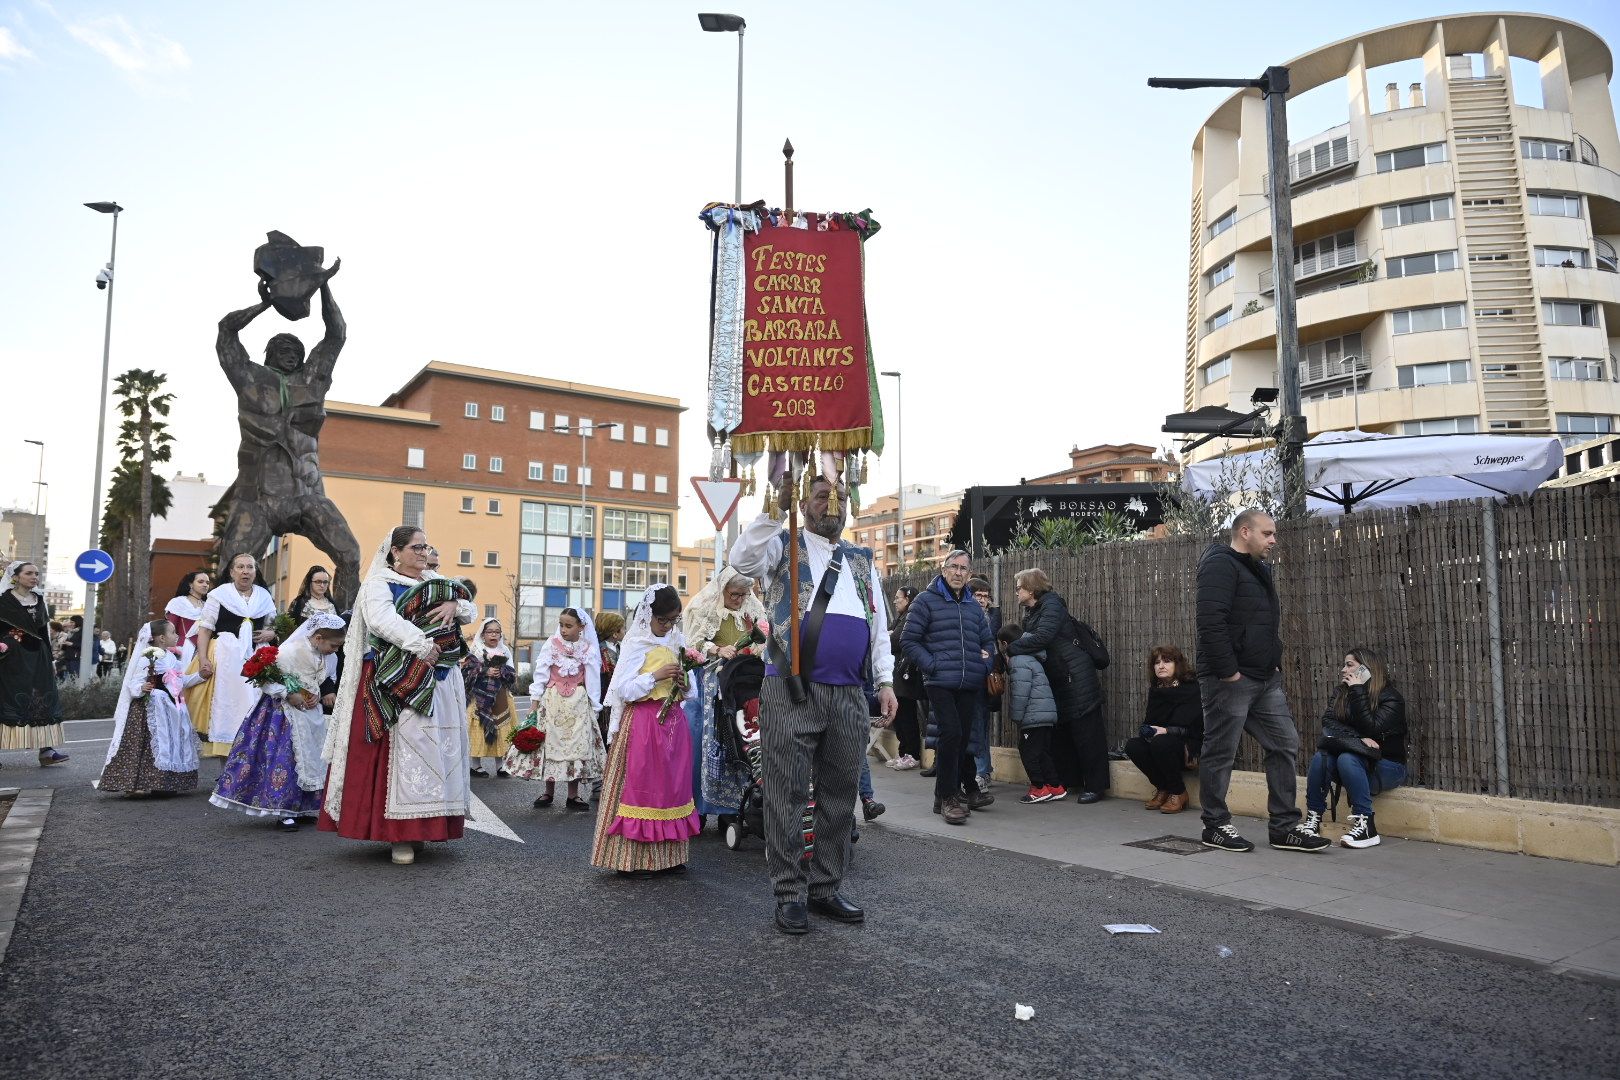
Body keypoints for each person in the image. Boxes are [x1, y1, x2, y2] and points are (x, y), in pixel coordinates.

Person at [731, 475, 897, 935]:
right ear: (802, 503)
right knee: (786, 793)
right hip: (789, 689)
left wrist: (884, 680)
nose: (832, 504)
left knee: (841, 794)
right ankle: (789, 893)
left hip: (849, 693)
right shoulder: (781, 544)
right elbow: (740, 560)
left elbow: (877, 626)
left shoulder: (863, 561)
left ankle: (825, 887)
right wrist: (770, 509)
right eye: (821, 496)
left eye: (838, 497)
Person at [319, 526, 475, 866]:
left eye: (426, 546)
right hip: (395, 677)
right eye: (416, 547)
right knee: (404, 752)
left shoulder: (436, 579)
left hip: (439, 676)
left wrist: (453, 602)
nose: (423, 552)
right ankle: (397, 835)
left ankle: (422, 828)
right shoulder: (378, 584)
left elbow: (469, 608)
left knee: (435, 754)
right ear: (396, 551)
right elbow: (380, 621)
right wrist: (421, 644)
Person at [1195, 509, 1329, 853]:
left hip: (1264, 679)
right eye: (1267, 533)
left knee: (1285, 743)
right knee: (1221, 751)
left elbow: (1260, 624)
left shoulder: (1257, 569)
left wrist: (1272, 662)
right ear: (1244, 532)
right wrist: (1228, 671)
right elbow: (1211, 621)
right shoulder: (1220, 565)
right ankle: (1215, 825)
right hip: (1230, 678)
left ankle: (1284, 827)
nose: (1273, 540)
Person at [590, 585, 700, 875]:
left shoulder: (677, 641)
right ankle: (630, 859)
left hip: (673, 723)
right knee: (643, 788)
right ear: (649, 615)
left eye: (672, 620)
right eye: (662, 620)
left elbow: (693, 693)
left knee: (671, 790)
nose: (667, 626)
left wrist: (684, 684)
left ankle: (669, 858)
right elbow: (623, 690)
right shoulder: (636, 643)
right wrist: (655, 676)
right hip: (643, 723)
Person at [212, 612, 345, 829]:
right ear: (318, 638)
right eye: (333, 645)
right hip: (283, 714)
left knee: (310, 758)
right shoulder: (290, 651)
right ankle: (283, 809)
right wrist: (287, 693)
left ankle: (301, 807)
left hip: (311, 714)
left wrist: (322, 693)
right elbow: (266, 678)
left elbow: (325, 678)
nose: (335, 650)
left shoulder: (330, 657)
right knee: (286, 759)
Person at [902, 550, 995, 827]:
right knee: (951, 734)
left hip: (968, 682)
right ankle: (949, 797)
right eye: (953, 567)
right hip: (940, 681)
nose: (958, 572)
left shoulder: (972, 606)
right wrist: (932, 665)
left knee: (962, 738)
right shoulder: (925, 601)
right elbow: (909, 640)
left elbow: (987, 642)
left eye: (963, 569)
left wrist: (985, 664)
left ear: (969, 574)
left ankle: (940, 797)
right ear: (943, 570)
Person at [1005, 567, 1109, 803]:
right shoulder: (1033, 612)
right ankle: (1070, 780)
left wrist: (1011, 649)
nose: (1016, 592)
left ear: (1031, 589)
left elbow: (1043, 638)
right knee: (1065, 733)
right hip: (1060, 678)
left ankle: (1095, 785)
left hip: (1076, 678)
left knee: (1087, 733)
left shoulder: (1052, 605)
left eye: (1019, 587)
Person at [683, 566, 767, 819]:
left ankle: (731, 809)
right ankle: (697, 808)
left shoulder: (753, 611)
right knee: (704, 742)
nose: (739, 599)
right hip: (710, 684)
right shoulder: (704, 609)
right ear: (722, 590)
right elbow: (693, 642)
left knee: (739, 739)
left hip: (739, 684)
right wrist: (717, 650)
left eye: (743, 594)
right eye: (734, 594)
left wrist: (753, 652)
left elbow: (762, 640)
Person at [1304, 647, 1408, 849]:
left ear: (1366, 670)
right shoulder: (1341, 693)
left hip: (1387, 766)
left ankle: (1367, 826)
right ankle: (1313, 818)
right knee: (1322, 756)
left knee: (1346, 758)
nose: (1343, 670)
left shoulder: (1391, 698)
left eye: (1349, 665)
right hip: (1354, 765)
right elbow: (1328, 723)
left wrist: (1358, 691)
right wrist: (1359, 738)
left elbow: (1374, 729)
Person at [510, 608, 603, 810]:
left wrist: (594, 707)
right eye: (561, 624)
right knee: (550, 743)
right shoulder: (552, 645)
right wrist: (534, 702)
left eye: (569, 625)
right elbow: (541, 673)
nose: (563, 629)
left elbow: (593, 680)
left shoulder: (588, 649)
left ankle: (573, 795)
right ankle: (548, 791)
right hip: (552, 700)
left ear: (581, 627)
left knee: (576, 746)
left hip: (578, 703)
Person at [186, 553, 278, 759]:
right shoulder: (219, 595)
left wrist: (271, 633)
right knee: (227, 710)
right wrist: (203, 659)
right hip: (225, 660)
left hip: (256, 659)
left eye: (250, 567)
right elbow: (205, 629)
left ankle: (248, 767)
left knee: (254, 705)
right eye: (240, 567)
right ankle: (226, 769)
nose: (245, 571)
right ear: (231, 571)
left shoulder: (264, 596)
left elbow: (274, 627)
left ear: (255, 571)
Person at [99, 618, 201, 795]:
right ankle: (141, 782)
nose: (177, 636)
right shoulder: (147, 656)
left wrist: (200, 676)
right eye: (173, 632)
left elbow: (179, 680)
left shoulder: (170, 657)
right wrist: (142, 687)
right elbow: (133, 681)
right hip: (150, 706)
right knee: (147, 743)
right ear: (161, 638)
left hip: (169, 705)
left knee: (170, 742)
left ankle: (167, 783)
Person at [0, 561, 69, 766]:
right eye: (29, 573)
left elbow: (44, 632)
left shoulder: (39, 600)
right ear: (16, 576)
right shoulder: (3, 600)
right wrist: (9, 642)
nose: (34, 577)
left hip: (38, 657)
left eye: (37, 574)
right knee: (6, 700)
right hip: (10, 659)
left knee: (42, 698)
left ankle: (46, 750)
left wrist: (51, 660)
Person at [1123, 645, 1204, 815]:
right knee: (1133, 745)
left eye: (1167, 661)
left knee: (1161, 743)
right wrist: (1148, 730)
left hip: (1188, 744)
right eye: (1157, 662)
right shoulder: (1157, 691)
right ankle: (1163, 788)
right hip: (1161, 742)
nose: (1161, 666)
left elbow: (1196, 728)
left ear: (1177, 665)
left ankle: (1178, 792)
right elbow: (1151, 721)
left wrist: (1166, 731)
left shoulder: (1191, 688)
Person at [997, 623, 1065, 803]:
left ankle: (1038, 788)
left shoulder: (1019, 660)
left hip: (1033, 715)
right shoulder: (1031, 656)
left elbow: (1021, 692)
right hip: (1045, 713)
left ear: (1005, 643)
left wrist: (1017, 717)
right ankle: (1055, 786)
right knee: (1042, 751)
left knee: (1028, 752)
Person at [463, 618, 517, 778]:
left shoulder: (505, 651)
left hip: (500, 696)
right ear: (483, 634)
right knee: (478, 729)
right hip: (479, 696)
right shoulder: (476, 650)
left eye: (497, 632)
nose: (493, 635)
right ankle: (475, 765)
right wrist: (484, 671)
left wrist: (503, 672)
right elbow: (466, 671)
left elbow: (512, 673)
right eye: (490, 632)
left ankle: (501, 765)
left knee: (501, 728)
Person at [886, 587, 923, 770]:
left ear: (907, 599)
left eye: (898, 598)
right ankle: (903, 753)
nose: (895, 601)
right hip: (896, 674)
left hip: (907, 674)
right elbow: (888, 637)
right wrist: (889, 636)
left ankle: (913, 754)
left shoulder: (911, 617)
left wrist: (890, 636)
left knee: (907, 714)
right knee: (898, 714)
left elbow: (895, 640)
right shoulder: (900, 618)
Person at [967, 576, 998, 791]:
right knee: (977, 726)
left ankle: (981, 771)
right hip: (971, 677)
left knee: (978, 726)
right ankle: (982, 770)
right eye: (978, 595)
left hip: (980, 679)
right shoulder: (974, 615)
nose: (982, 600)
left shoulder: (987, 618)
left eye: (985, 597)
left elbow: (988, 650)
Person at [165, 569, 212, 673]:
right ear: (191, 584)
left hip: (206, 650)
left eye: (207, 583)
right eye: (201, 582)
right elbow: (169, 629)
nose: (205, 585)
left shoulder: (209, 606)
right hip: (183, 649)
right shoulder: (178, 602)